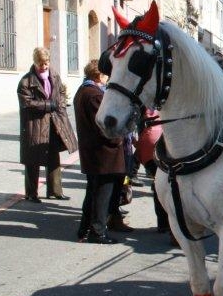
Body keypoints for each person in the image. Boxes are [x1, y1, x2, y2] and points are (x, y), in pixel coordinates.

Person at [73, 60, 125, 244]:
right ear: (98, 75)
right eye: (105, 75)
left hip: (94, 152)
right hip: (102, 154)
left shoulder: (83, 91)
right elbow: (104, 126)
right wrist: (119, 138)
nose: (107, 79)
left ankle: (85, 228)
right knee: (101, 195)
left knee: (93, 193)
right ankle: (97, 231)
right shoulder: (94, 95)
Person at [17, 47, 78, 203]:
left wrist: (61, 104)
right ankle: (31, 193)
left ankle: (55, 190)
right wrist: (47, 105)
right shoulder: (26, 81)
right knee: (33, 159)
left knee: (53, 156)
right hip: (35, 125)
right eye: (41, 63)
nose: (44, 66)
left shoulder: (54, 75)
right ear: (35, 62)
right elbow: (26, 103)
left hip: (54, 122)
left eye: (46, 62)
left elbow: (62, 92)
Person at [134, 107, 168, 233]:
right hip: (159, 141)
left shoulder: (143, 100)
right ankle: (168, 224)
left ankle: (163, 223)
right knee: (167, 185)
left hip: (147, 143)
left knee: (158, 184)